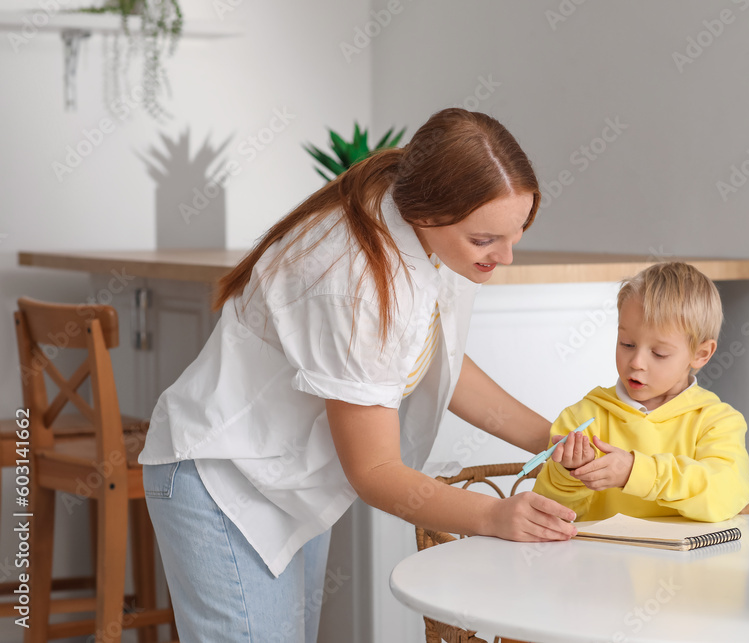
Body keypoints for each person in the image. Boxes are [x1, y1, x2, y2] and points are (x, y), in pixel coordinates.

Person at [137, 108, 577, 643]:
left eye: (517, 232)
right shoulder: (357, 282)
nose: (505, 256)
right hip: (225, 480)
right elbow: (374, 471)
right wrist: (495, 516)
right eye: (485, 239)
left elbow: (436, 360)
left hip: (287, 479)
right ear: (429, 212)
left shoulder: (419, 228)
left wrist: (553, 439)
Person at [531, 262, 749, 523]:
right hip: (601, 550)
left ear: (701, 354)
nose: (636, 362)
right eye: (627, 344)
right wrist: (568, 474)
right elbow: (550, 515)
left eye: (659, 353)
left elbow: (727, 494)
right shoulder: (583, 418)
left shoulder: (716, 421)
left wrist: (636, 473)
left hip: (687, 552)